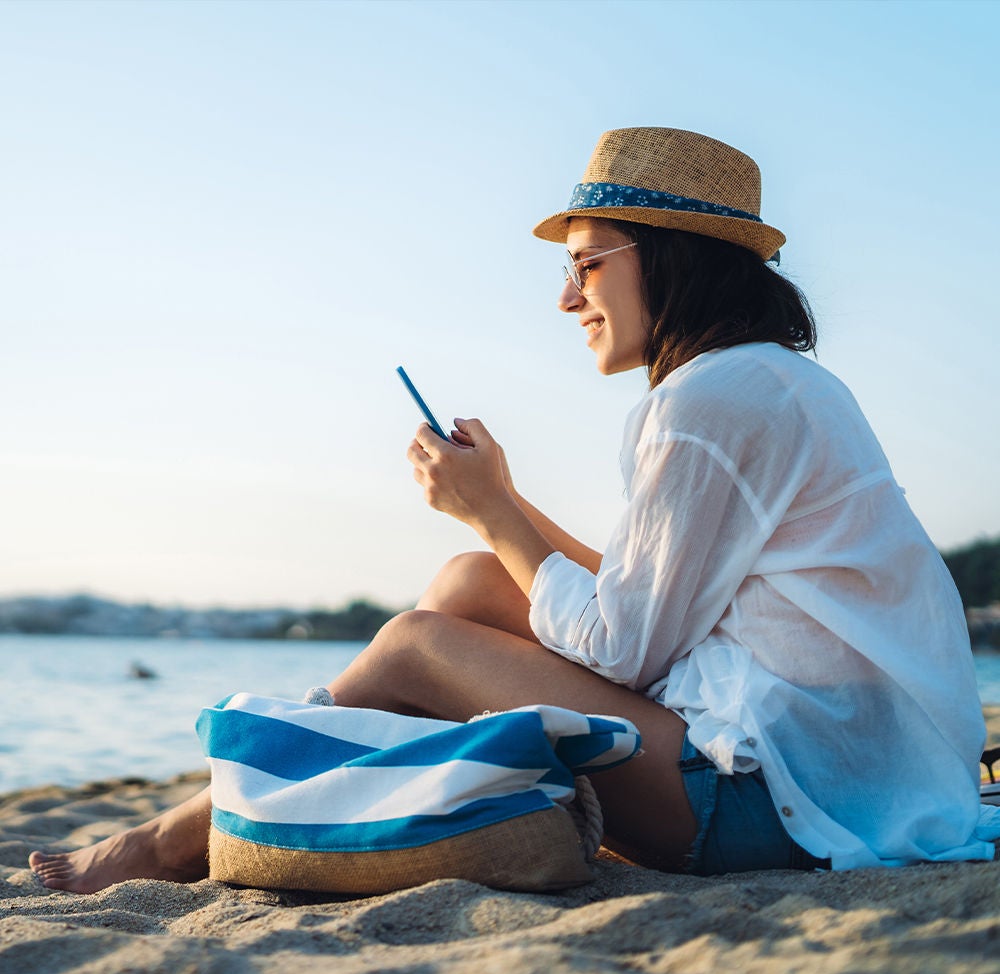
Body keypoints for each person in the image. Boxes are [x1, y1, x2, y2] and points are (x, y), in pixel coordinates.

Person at [29, 127, 994, 893]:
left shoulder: (704, 404)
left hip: (782, 804)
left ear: (670, 257)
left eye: (588, 263)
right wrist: (498, 510)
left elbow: (627, 649)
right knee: (467, 582)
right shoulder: (769, 382)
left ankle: (176, 836)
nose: (568, 295)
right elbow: (653, 603)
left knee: (414, 642)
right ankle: (316, 791)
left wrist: (493, 510)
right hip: (850, 770)